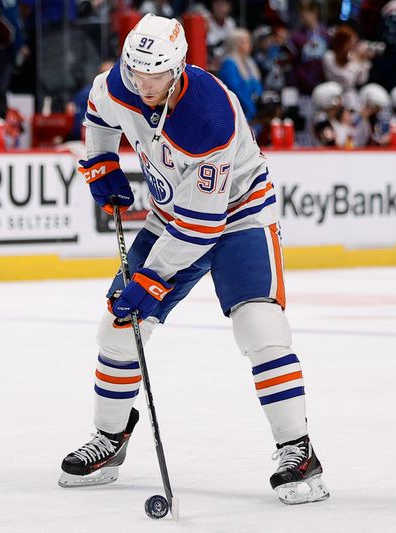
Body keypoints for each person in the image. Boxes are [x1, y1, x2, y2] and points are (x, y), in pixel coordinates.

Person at [58, 14, 329, 505]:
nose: (142, 85)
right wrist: (99, 163)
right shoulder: (123, 80)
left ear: (178, 68)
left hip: (238, 215)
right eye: (135, 73)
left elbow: (199, 230)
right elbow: (98, 114)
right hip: (170, 214)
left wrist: (151, 281)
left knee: (260, 327)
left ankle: (298, 451)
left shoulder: (209, 118)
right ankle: (110, 438)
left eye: (155, 75)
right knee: (118, 328)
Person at [322, 25, 373, 112]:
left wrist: (363, 61)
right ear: (341, 42)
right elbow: (346, 79)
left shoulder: (351, 57)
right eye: (349, 43)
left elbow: (362, 80)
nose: (351, 47)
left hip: (351, 101)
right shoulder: (329, 56)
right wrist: (357, 61)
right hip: (333, 98)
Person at [218, 29, 263, 122]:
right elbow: (235, 89)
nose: (249, 45)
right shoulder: (229, 64)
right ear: (236, 45)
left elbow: (257, 86)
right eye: (245, 42)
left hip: (253, 110)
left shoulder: (250, 62)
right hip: (240, 111)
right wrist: (251, 108)